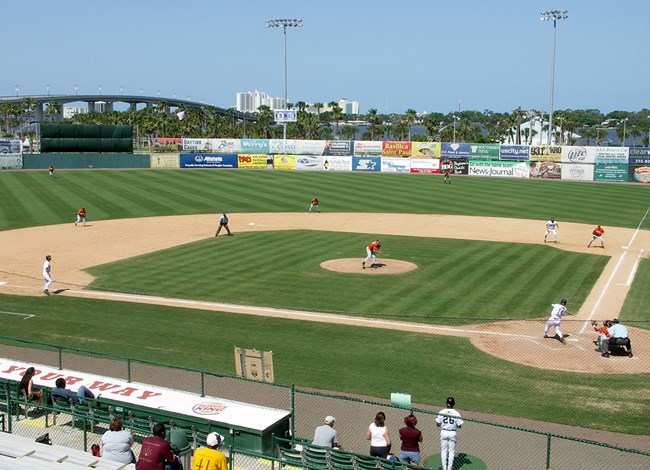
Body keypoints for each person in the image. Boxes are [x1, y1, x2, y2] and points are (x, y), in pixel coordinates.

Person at [436, 397, 463, 470]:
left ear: (446, 403)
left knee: (443, 451)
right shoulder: (456, 413)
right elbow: (459, 425)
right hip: (452, 433)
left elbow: (438, 424)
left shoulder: (441, 412)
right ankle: (449, 468)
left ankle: (444, 468)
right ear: (453, 404)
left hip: (443, 432)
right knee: (451, 452)